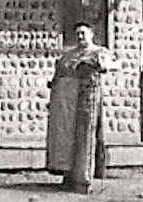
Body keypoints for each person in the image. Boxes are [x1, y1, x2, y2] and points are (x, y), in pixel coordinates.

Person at [46, 22, 118, 191]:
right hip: (65, 101)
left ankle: (83, 178)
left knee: (85, 137)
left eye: (83, 33)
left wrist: (99, 65)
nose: (79, 37)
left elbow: (111, 65)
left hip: (86, 98)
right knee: (65, 137)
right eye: (77, 34)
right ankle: (67, 174)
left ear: (91, 34)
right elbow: (58, 74)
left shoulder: (98, 52)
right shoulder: (69, 55)